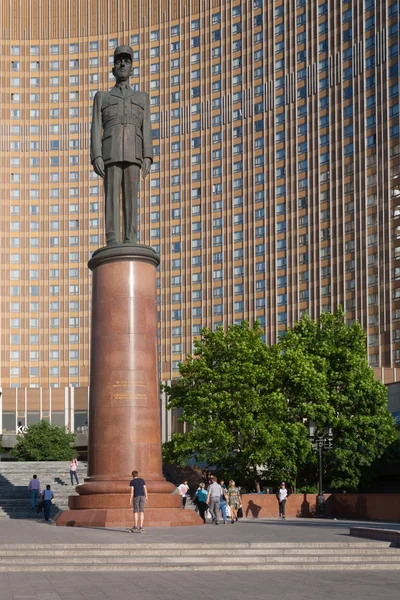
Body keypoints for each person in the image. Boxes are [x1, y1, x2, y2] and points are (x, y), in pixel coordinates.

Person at [90, 45, 153, 245]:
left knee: (131, 199)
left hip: (133, 151)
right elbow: (96, 127)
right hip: (110, 152)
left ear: (132, 68)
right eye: (119, 61)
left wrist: (148, 156)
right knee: (111, 199)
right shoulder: (103, 97)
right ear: (113, 69)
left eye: (127, 61)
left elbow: (147, 128)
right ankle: (112, 238)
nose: (123, 64)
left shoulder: (142, 97)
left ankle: (130, 238)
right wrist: (96, 155)